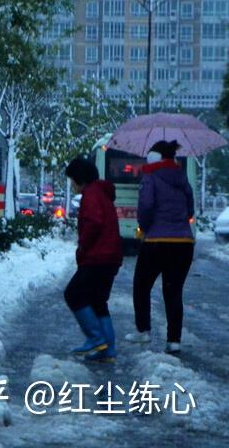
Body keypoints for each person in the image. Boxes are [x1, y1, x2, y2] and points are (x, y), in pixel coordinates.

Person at [126, 140, 195, 355]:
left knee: (141, 285)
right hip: (184, 243)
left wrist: (144, 228)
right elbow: (190, 209)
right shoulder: (182, 176)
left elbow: (145, 206)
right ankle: (174, 341)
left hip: (156, 241)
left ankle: (143, 330)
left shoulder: (151, 176)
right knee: (173, 291)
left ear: (153, 158)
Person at [63, 156, 123, 363]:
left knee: (73, 294)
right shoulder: (102, 193)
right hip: (111, 256)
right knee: (98, 302)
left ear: (80, 178)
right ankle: (108, 351)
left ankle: (96, 338)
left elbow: (93, 224)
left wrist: (82, 247)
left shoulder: (91, 195)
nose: (72, 184)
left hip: (98, 256)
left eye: (72, 180)